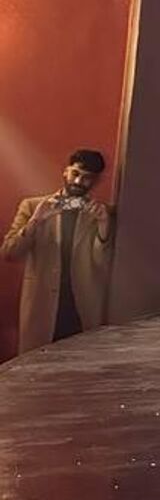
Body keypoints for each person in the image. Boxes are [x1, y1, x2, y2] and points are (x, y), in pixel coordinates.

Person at [3, 150, 114, 356]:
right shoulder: (33, 206)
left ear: (96, 181)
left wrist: (104, 225)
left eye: (87, 177)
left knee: (80, 366)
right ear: (66, 171)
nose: (79, 181)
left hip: (83, 307)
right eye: (75, 173)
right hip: (41, 307)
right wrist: (36, 220)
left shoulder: (102, 213)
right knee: (36, 368)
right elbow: (10, 253)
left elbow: (104, 265)